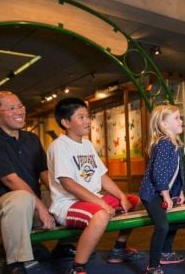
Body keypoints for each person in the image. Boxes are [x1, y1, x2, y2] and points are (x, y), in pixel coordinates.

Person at [47, 98, 143, 274]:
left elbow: (101, 176)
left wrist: (121, 196)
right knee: (100, 216)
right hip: (68, 204)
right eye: (81, 117)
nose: (88, 121)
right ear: (65, 122)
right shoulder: (59, 146)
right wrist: (101, 204)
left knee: (133, 201)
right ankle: (78, 268)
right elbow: (68, 184)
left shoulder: (87, 144)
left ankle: (119, 249)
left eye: (88, 116)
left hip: (92, 200)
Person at [0, 91, 56, 274]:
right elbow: (10, 180)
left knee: (71, 193)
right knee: (20, 198)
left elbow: (44, 173)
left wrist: (64, 195)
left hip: (32, 203)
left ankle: (65, 246)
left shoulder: (32, 139)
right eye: (11, 108)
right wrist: (42, 208)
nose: (19, 111)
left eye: (20, 106)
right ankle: (17, 265)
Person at [139, 104, 185, 274]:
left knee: (174, 220)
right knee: (162, 226)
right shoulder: (164, 144)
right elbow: (158, 174)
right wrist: (166, 196)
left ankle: (166, 253)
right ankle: (152, 265)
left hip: (166, 192)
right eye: (176, 118)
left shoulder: (176, 144)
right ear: (164, 125)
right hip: (152, 194)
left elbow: (179, 171)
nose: (181, 121)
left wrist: (180, 191)